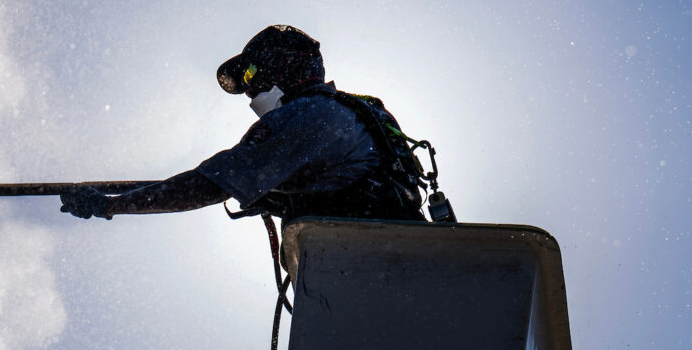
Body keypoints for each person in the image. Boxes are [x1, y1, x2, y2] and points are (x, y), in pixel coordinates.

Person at [60, 25, 433, 224]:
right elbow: (345, 184)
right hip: (391, 247)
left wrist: (110, 205)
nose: (249, 88)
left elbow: (208, 184)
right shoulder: (352, 111)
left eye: (253, 72)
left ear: (285, 65)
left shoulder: (304, 118)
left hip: (364, 261)